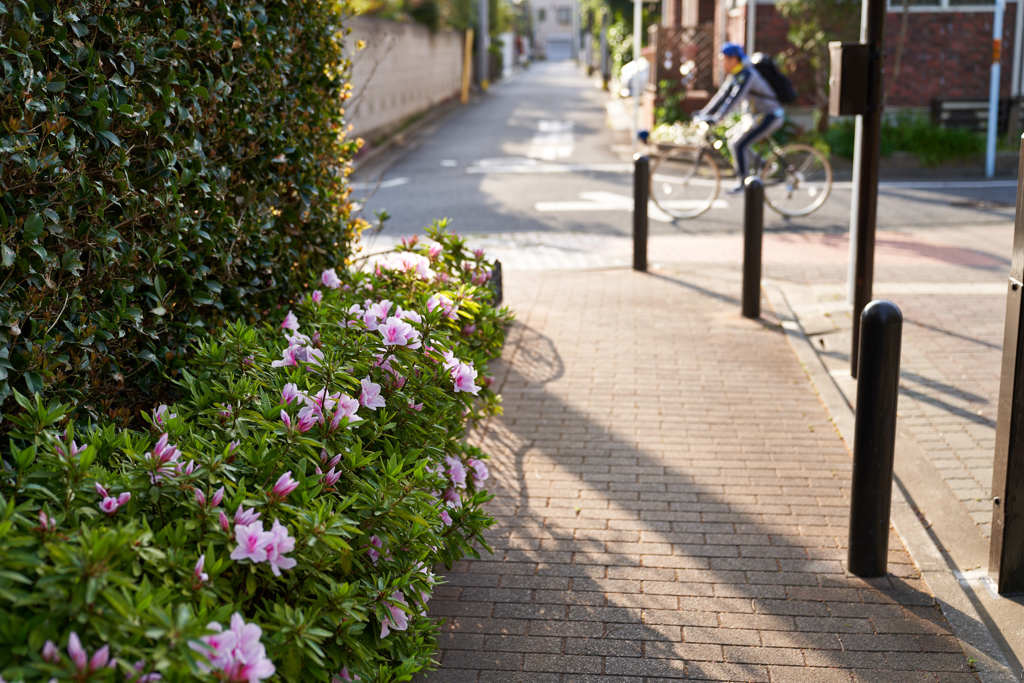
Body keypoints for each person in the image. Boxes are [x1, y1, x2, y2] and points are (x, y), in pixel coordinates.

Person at [694, 42, 784, 194]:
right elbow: (721, 96)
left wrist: (717, 118)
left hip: (770, 116)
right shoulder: (737, 74)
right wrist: (704, 113)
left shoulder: (747, 74)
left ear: (733, 59)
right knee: (733, 141)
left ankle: (743, 184)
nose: (722, 63)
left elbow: (734, 99)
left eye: (724, 59)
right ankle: (763, 166)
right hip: (755, 116)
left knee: (738, 144)